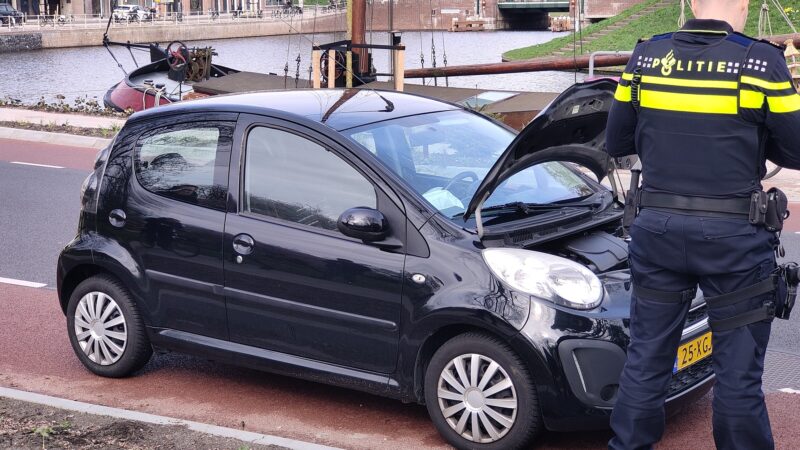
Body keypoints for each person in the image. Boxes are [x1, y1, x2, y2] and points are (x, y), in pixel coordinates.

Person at [605, 0, 800, 448]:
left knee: (646, 361)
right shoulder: (760, 61)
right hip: (734, 240)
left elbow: (616, 140)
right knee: (737, 375)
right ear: (745, 4)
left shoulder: (645, 58)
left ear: (692, 3)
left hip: (656, 232)